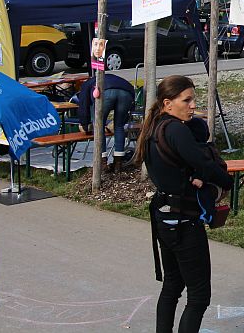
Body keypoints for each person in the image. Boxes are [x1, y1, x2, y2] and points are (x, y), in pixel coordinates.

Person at [132, 75, 233, 333]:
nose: (192, 106)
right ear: (168, 103)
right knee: (199, 296)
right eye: (186, 100)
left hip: (165, 218)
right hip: (183, 222)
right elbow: (204, 163)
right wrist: (224, 181)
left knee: (172, 286)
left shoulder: (154, 126)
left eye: (193, 99)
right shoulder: (176, 129)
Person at [77, 73, 135, 169]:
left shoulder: (87, 85)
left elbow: (83, 105)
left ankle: (102, 161)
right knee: (119, 126)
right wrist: (125, 119)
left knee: (99, 127)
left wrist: (84, 123)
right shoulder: (114, 78)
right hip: (126, 93)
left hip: (106, 92)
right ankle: (118, 162)